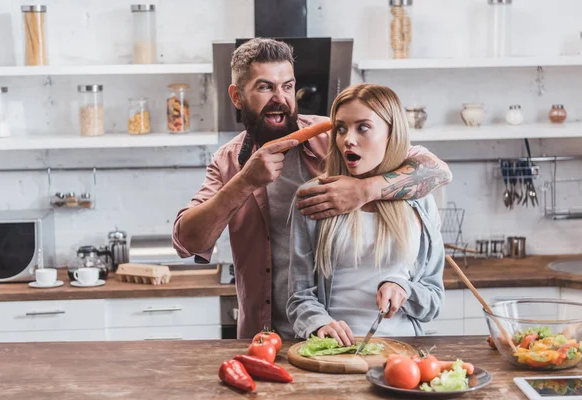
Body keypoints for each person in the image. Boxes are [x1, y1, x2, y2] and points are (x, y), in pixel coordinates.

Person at [172, 38, 451, 339]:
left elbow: (435, 169)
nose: (280, 98)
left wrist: (365, 190)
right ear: (237, 96)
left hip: (333, 336)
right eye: (265, 87)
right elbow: (187, 241)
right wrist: (246, 180)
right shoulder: (227, 161)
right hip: (268, 335)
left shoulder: (332, 134)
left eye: (288, 86)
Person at [286, 83, 445, 346]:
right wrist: (319, 324)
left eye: (363, 127)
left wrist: (405, 289)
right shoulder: (316, 197)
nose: (348, 139)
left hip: (404, 351)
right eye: (341, 128)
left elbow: (434, 301)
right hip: (334, 352)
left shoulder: (419, 200)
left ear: (391, 133)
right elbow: (299, 297)